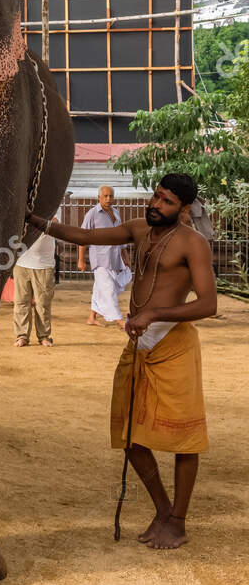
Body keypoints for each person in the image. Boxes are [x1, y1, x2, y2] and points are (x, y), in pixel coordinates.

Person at [29, 173, 217, 550]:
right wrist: (32, 218)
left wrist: (154, 314)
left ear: (183, 209)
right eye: (155, 196)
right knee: (130, 435)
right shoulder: (137, 228)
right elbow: (82, 237)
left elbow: (208, 304)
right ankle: (163, 510)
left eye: (166, 201)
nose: (155, 205)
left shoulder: (193, 244)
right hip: (139, 345)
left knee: (185, 440)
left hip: (173, 345)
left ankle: (177, 521)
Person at [81, 186, 131, 327]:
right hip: (100, 259)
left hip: (114, 258)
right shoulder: (92, 214)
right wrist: (81, 260)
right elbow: (82, 237)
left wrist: (125, 256)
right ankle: (119, 319)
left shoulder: (116, 212)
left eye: (111, 196)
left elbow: (120, 237)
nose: (108, 199)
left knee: (101, 288)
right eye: (105, 196)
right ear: (99, 197)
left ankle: (92, 317)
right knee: (108, 290)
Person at [12, 230, 57, 347]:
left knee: (43, 303)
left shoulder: (53, 210)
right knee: (21, 301)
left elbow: (53, 222)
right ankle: (22, 336)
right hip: (20, 262)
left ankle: (44, 336)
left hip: (43, 264)